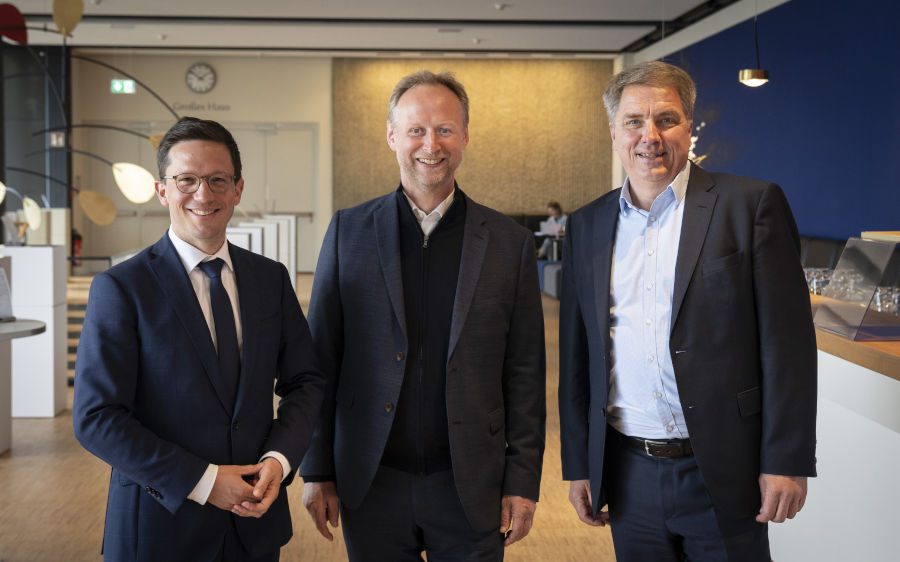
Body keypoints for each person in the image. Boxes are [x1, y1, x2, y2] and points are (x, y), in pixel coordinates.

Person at [558, 61, 817, 561]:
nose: (649, 136)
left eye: (666, 120)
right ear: (614, 132)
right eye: (633, 121)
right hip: (627, 471)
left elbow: (787, 346)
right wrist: (580, 464)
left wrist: (786, 459)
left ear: (689, 128)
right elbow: (578, 357)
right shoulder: (587, 225)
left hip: (723, 466)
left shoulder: (751, 204)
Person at [300, 70, 546, 561]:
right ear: (392, 137)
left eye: (445, 129)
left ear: (465, 137)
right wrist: (316, 468)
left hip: (471, 485)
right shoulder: (349, 232)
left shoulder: (508, 243)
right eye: (415, 130)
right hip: (372, 481)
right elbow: (320, 361)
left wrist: (522, 480)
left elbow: (524, 373)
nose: (430, 144)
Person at [73, 117, 325, 561]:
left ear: (237, 190)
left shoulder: (270, 279)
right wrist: (203, 481)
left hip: (255, 525)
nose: (203, 194)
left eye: (217, 180)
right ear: (162, 190)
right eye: (186, 180)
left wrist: (280, 459)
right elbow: (97, 418)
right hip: (160, 529)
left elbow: (305, 380)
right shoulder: (122, 288)